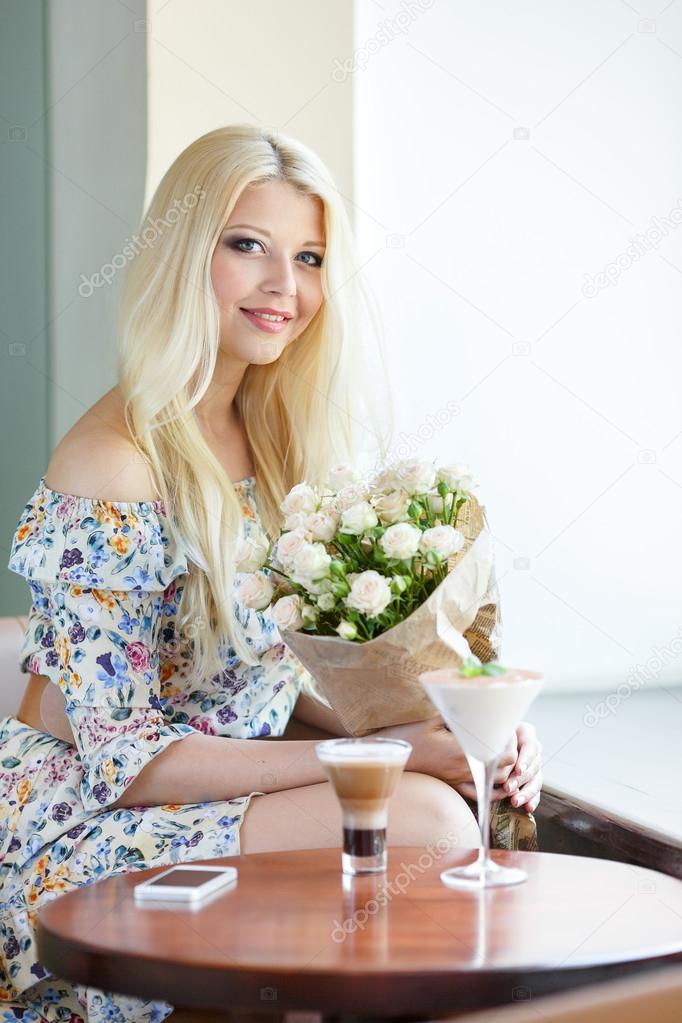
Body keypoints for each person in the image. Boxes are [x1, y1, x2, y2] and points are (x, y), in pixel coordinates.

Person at [0, 124, 543, 1022]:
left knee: (439, 799)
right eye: (246, 244)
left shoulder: (272, 440)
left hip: (207, 784)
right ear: (182, 253)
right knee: (424, 822)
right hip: (79, 830)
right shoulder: (114, 464)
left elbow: (266, 682)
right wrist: (394, 750)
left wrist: (462, 725)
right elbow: (125, 762)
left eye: (310, 256)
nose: (284, 288)